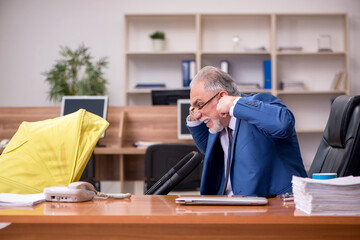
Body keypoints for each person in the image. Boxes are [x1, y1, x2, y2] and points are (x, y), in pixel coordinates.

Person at [187, 66, 307, 196]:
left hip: (273, 206)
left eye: (199, 105)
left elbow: (283, 123)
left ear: (221, 97)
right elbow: (209, 150)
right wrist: (193, 117)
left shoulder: (259, 104)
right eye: (193, 108)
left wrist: (235, 103)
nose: (197, 115)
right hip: (225, 206)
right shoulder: (219, 125)